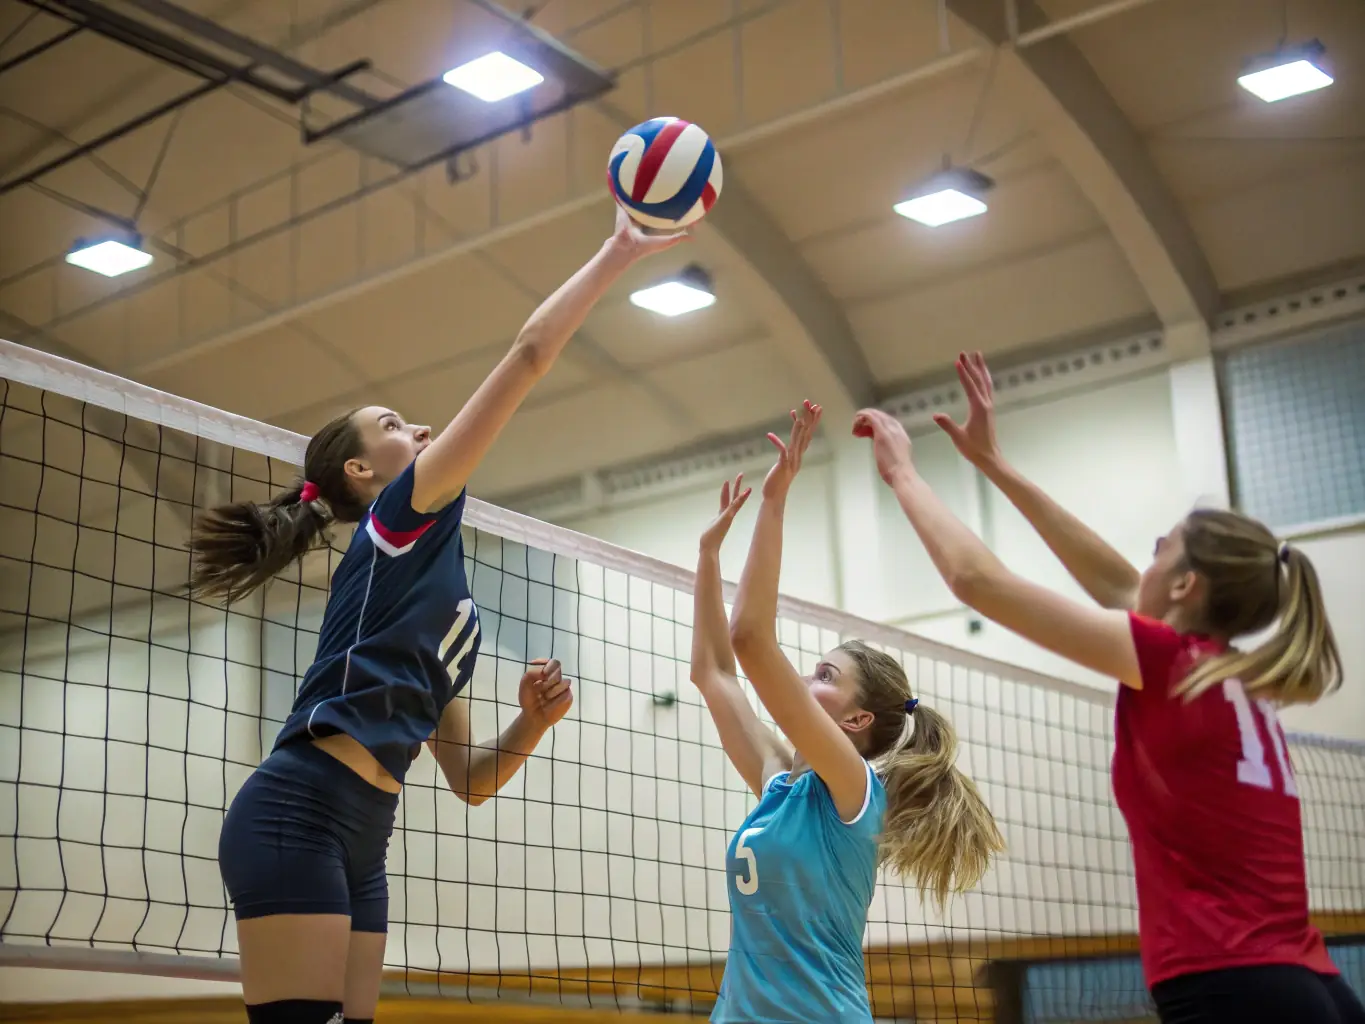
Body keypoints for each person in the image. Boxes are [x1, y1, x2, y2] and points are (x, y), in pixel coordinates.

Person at [191, 207, 686, 1024]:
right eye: (394, 425)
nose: (419, 427)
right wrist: (616, 252)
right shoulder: (398, 517)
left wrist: (530, 723)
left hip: (365, 839)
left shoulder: (437, 602)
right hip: (298, 812)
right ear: (362, 469)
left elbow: (470, 782)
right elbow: (529, 357)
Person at [852, 352, 1362, 1024]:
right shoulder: (1233, 678)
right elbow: (1118, 585)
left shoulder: (1168, 662)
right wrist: (992, 464)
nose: (1143, 559)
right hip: (1306, 982)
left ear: (1185, 586)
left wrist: (902, 473)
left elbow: (978, 583)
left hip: (1233, 985)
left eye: (1160, 548)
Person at [691, 402, 1004, 1024]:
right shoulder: (779, 785)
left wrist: (776, 501)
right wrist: (707, 557)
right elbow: (714, 672)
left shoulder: (853, 791)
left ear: (857, 722)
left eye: (825, 675)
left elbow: (750, 642)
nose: (805, 681)